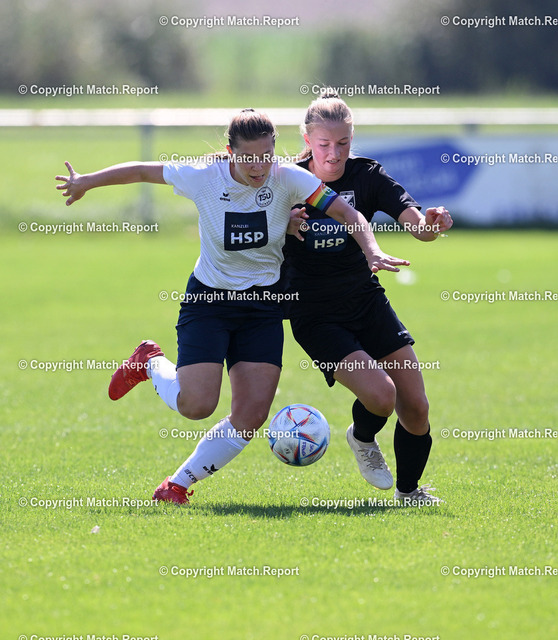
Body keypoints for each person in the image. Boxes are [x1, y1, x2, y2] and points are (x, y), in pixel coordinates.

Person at [55, 108, 409, 505]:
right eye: (248, 158)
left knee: (251, 415)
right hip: (210, 302)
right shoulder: (203, 176)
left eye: (266, 156)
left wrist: (373, 250)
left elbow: (346, 212)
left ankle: (176, 486)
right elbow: (141, 170)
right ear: (230, 153)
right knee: (196, 405)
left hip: (263, 307)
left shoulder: (289, 178)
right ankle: (150, 362)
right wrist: (86, 182)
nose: (259, 166)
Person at [283, 92, 453, 504]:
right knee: (381, 396)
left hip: (365, 301)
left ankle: (409, 493)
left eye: (343, 143)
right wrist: (280, 224)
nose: (334, 153)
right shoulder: (286, 181)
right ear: (307, 140)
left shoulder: (368, 176)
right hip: (315, 314)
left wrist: (431, 224)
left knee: (416, 406)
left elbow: (417, 225)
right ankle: (362, 437)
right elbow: (248, 231)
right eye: (324, 144)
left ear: (352, 138)